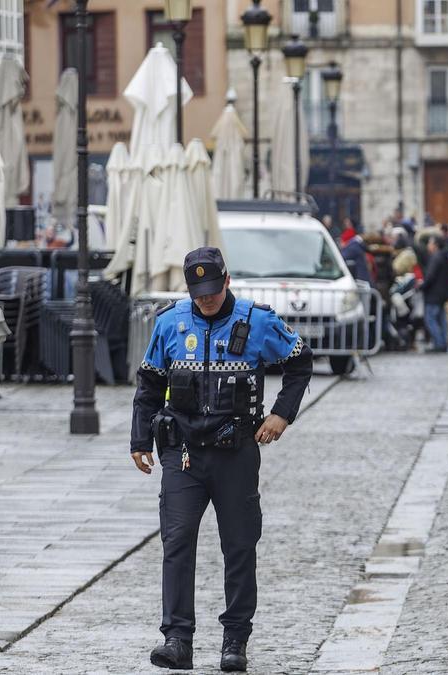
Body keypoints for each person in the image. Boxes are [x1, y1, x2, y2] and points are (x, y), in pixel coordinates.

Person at [130, 247, 314, 672]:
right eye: (198, 292)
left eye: (212, 291)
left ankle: (235, 640)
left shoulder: (258, 321)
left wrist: (281, 415)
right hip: (184, 453)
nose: (206, 299)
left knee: (239, 545)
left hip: (236, 452)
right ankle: (177, 640)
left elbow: (299, 363)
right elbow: (149, 385)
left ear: (227, 281)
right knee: (176, 543)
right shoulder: (170, 322)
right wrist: (139, 439)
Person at [421, 235, 448, 352]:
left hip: (433, 294)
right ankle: (443, 343)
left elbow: (430, 276)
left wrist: (422, 286)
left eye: (430, 243)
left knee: (431, 319)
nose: (428, 246)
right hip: (441, 293)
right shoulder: (443, 256)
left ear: (435, 245)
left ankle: (439, 344)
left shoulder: (436, 257)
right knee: (441, 320)